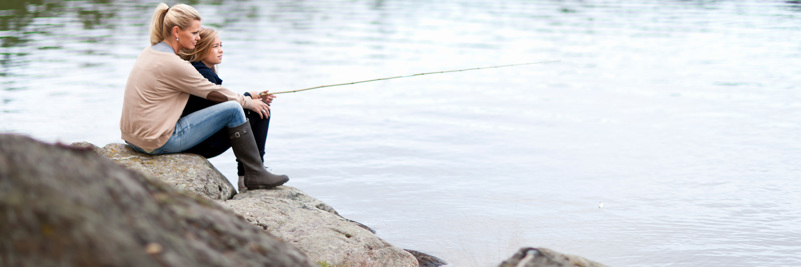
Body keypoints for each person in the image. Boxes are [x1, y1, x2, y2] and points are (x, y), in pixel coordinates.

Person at [120, 3, 288, 190]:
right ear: (176, 31)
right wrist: (248, 101)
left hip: (133, 138)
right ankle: (255, 174)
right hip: (156, 141)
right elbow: (213, 92)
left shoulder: (150, 52)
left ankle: (253, 173)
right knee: (233, 109)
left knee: (235, 106)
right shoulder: (173, 63)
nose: (198, 38)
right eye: (194, 33)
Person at [178, 27, 277, 192]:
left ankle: (250, 174)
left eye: (221, 45)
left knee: (256, 108)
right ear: (201, 49)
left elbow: (218, 107)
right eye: (215, 46)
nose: (221, 50)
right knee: (259, 112)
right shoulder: (203, 74)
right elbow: (223, 110)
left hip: (197, 138)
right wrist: (248, 99)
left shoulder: (200, 71)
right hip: (200, 143)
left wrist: (250, 97)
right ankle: (251, 174)